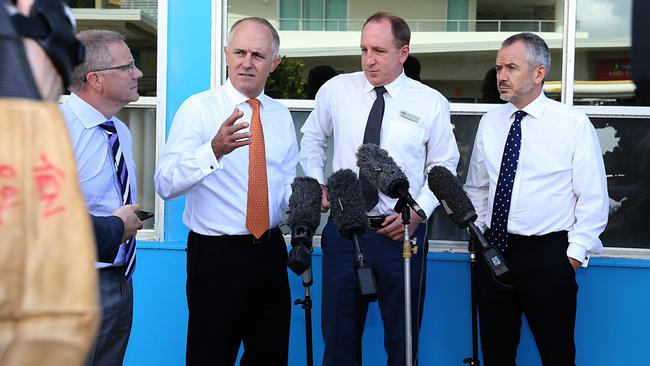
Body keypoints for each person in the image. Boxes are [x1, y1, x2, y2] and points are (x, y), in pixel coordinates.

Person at [299, 12, 460, 366]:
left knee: (402, 341)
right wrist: (316, 180)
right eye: (364, 50)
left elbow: (444, 164)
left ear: (403, 53)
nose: (368, 60)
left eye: (379, 51)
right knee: (339, 340)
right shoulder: (336, 90)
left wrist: (420, 211)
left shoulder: (429, 101)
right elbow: (311, 139)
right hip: (345, 233)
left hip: (402, 234)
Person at [154, 17, 298, 366]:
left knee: (270, 356)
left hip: (270, 251)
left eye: (258, 55)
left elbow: (284, 189)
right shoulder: (199, 108)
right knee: (210, 356)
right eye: (240, 52)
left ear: (274, 63)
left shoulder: (280, 116)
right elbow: (165, 184)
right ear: (225, 54)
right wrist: (213, 150)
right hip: (217, 256)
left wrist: (306, 201)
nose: (247, 62)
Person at [464, 32, 608, 365]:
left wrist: (570, 259)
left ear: (539, 73)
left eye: (511, 67)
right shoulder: (490, 122)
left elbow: (592, 198)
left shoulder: (572, 124)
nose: (501, 76)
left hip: (548, 256)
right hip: (494, 253)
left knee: (556, 354)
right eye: (499, 67)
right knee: (496, 354)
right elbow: (478, 187)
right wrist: (483, 237)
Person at [60, 29, 143, 366]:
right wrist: (113, 225)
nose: (137, 73)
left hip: (120, 278)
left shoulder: (118, 129)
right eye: (128, 66)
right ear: (95, 79)